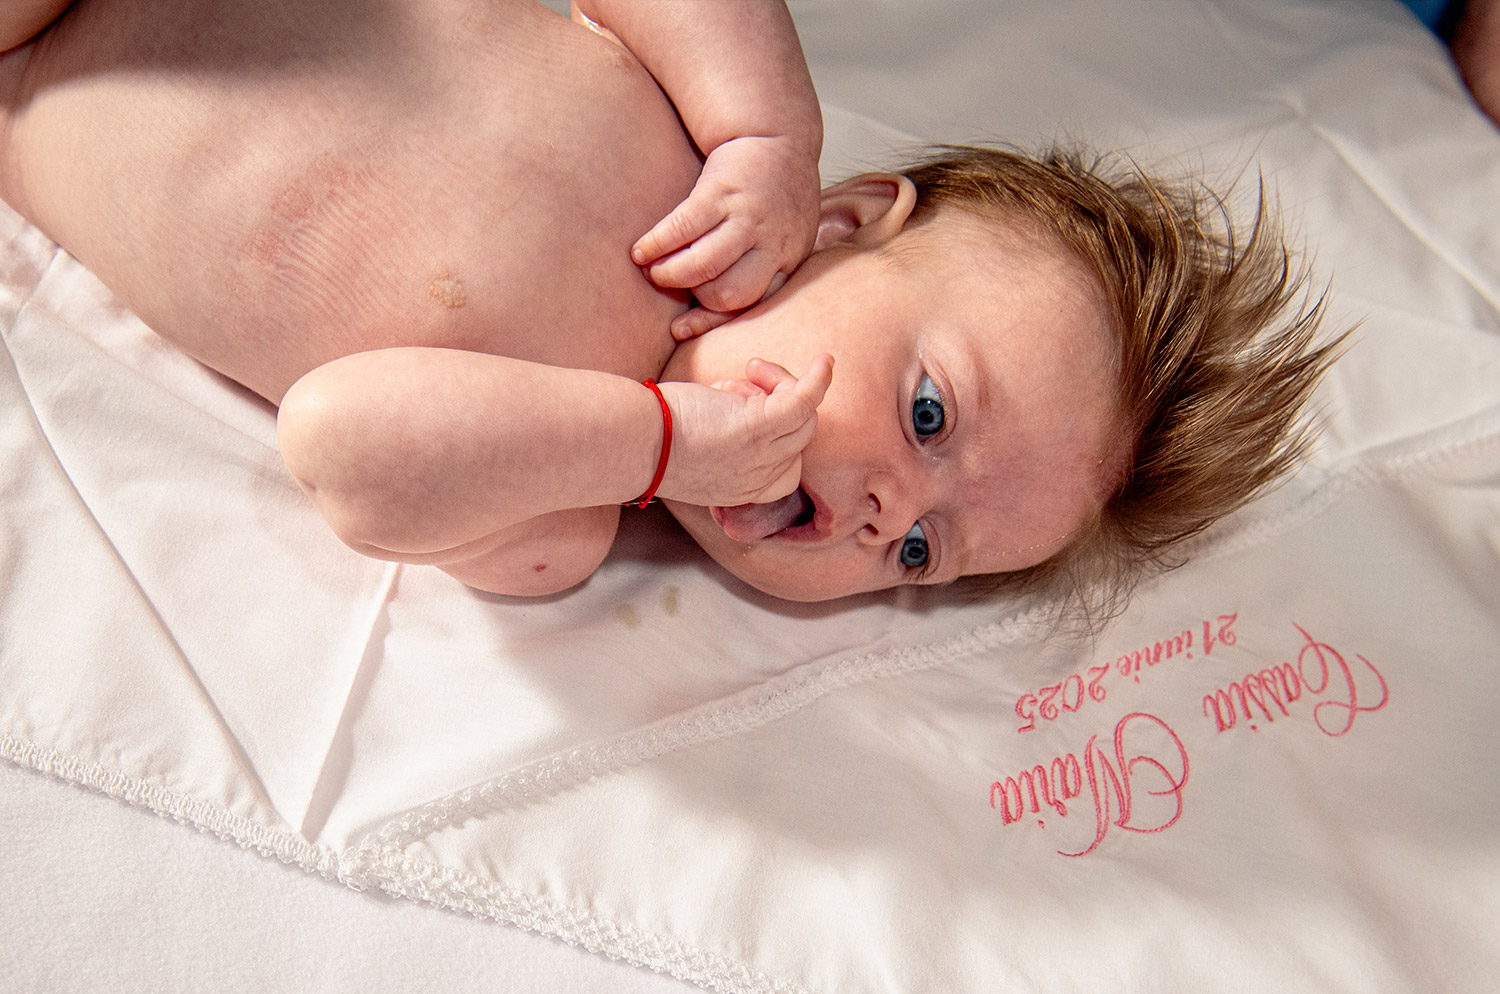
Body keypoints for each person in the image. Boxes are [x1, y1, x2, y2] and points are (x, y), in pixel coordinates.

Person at [0, 0, 1342, 612]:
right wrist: (765, 121)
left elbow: (340, 439)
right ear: (842, 224)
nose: (887, 513)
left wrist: (653, 444)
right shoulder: (696, 145)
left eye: (922, 556)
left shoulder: (562, 519)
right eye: (930, 414)